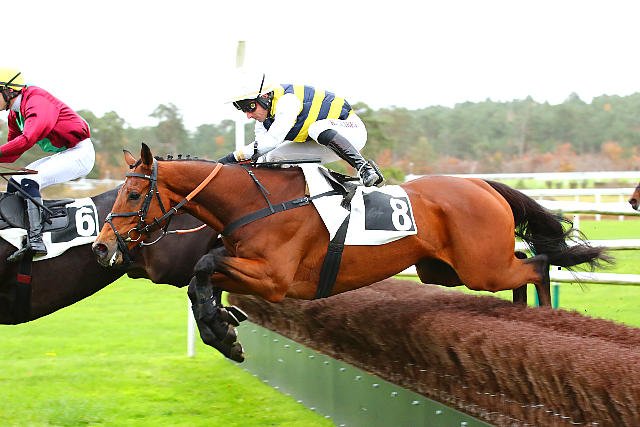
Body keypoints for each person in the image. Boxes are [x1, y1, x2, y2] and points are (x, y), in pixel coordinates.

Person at [218, 73, 384, 187]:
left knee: (316, 128)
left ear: (265, 96)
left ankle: (364, 168)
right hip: (321, 143)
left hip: (351, 132)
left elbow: (271, 141)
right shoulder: (263, 119)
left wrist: (227, 160)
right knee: (272, 157)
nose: (248, 115)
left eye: (250, 107)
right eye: (243, 109)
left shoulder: (287, 101)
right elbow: (259, 150)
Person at [0, 68, 95, 260]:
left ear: (9, 90)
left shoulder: (37, 101)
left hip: (80, 153)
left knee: (29, 181)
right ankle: (16, 234)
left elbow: (27, 139)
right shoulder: (14, 115)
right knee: (15, 182)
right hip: (67, 152)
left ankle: (36, 241)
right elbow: (12, 151)